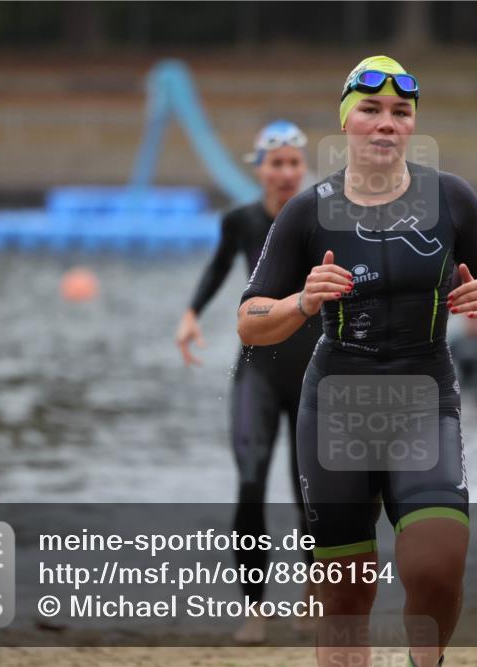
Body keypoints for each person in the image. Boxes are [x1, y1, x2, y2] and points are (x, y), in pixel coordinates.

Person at [237, 55, 477, 667]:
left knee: (438, 565)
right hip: (336, 407)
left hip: (425, 400)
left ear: (412, 125)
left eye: (400, 112)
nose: (386, 123)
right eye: (370, 110)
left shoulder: (451, 197)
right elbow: (249, 320)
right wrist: (302, 300)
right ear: (346, 123)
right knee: (344, 599)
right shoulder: (307, 211)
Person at [174, 120, 321, 644]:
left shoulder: (324, 219)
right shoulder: (240, 221)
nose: (284, 173)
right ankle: (256, 608)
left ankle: (313, 592)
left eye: (292, 164)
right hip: (258, 368)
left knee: (313, 492)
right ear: (258, 168)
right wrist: (192, 312)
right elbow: (216, 270)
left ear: (303, 168)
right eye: (275, 163)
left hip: (314, 374)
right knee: (251, 483)